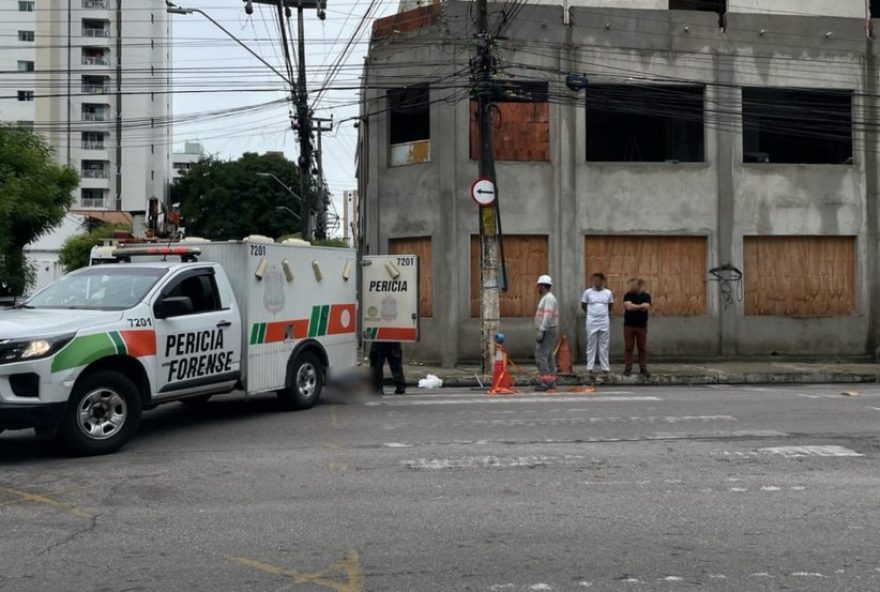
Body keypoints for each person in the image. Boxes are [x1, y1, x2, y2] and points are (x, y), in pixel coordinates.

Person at [581, 273, 613, 377]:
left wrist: (601, 314)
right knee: (591, 344)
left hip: (604, 321)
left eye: (598, 281)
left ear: (603, 281)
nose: (596, 283)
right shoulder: (587, 293)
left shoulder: (608, 293)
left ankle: (605, 367)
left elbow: (610, 306)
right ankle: (590, 367)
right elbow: (583, 305)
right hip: (591, 321)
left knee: (604, 345)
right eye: (594, 280)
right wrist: (592, 314)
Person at [533, 274, 559, 392]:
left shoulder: (548, 298)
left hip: (547, 330)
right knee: (548, 356)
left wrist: (542, 330)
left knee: (541, 356)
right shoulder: (548, 297)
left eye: (539, 286)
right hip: (549, 330)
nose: (538, 288)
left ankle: (546, 382)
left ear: (543, 286)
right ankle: (551, 381)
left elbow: (547, 316)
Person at [623, 278, 652, 378]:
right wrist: (640, 306)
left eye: (633, 285)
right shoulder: (627, 295)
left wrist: (634, 306)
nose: (631, 287)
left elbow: (646, 306)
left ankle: (643, 368)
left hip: (642, 326)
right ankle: (628, 368)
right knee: (628, 347)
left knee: (642, 348)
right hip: (629, 326)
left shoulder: (646, 296)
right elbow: (628, 307)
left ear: (639, 286)